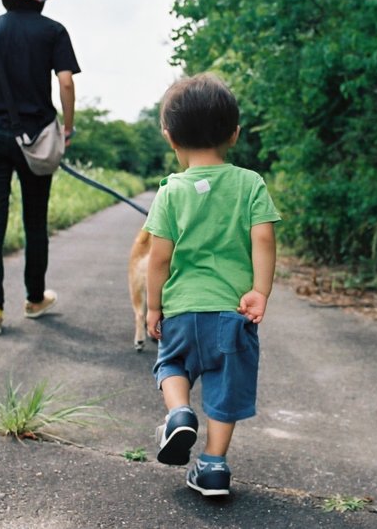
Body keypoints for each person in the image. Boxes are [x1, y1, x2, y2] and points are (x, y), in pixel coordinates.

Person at [143, 73, 280, 497]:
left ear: (170, 137)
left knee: (172, 366)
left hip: (182, 308)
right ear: (234, 134)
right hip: (231, 313)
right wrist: (260, 290)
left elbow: (158, 258)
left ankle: (179, 412)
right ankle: (214, 466)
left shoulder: (170, 191)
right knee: (225, 388)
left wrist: (152, 308)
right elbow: (263, 238)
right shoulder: (250, 183)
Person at [0, 0, 79, 335]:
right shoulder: (54, 32)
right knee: (35, 223)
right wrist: (67, 127)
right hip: (37, 140)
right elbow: (66, 83)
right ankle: (33, 299)